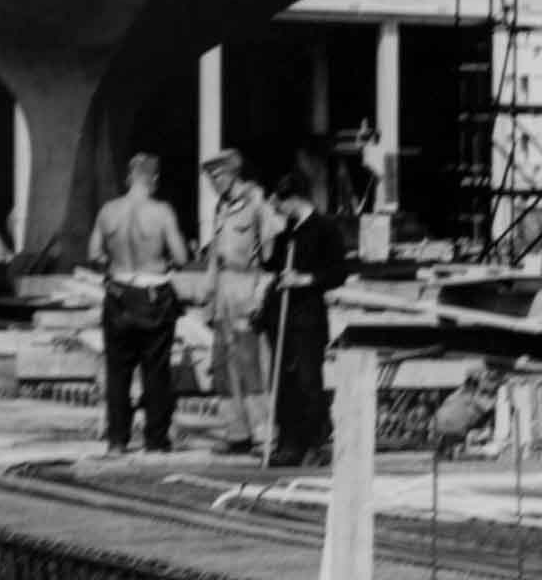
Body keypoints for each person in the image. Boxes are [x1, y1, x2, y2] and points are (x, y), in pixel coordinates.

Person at [86, 153, 191, 456]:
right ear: (154, 180)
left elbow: (94, 253)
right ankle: (155, 440)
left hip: (118, 294)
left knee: (117, 371)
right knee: (155, 371)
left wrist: (115, 260)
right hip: (152, 296)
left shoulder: (108, 211)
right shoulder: (161, 212)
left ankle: (117, 440)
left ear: (129, 178)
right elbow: (182, 257)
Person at [262, 164, 351, 465]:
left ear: (295, 199)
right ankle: (289, 443)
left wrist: (305, 279)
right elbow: (272, 266)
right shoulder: (286, 231)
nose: (280, 209)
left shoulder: (325, 229)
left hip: (308, 318)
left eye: (283, 204)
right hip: (282, 317)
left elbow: (338, 272)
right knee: (284, 383)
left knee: (307, 381)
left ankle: (315, 443)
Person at [199, 150, 279, 454]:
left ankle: (263, 433)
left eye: (218, 176)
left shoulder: (257, 205)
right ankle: (236, 432)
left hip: (247, 287)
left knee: (252, 365)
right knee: (224, 365)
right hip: (223, 291)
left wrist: (260, 295)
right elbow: (213, 257)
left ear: (234, 173)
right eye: (210, 178)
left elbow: (270, 257)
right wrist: (208, 297)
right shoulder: (221, 208)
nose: (214, 183)